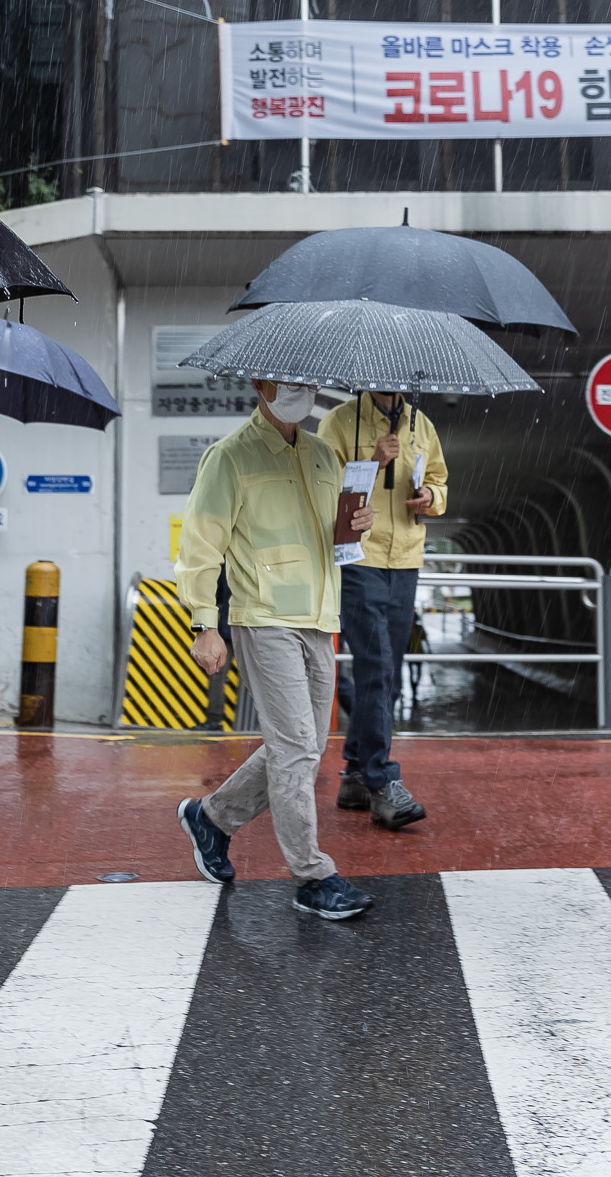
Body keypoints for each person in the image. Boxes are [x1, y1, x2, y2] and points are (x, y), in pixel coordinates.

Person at [173, 377, 377, 919]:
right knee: (296, 748)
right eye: (289, 382)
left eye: (308, 382)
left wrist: (358, 524)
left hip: (319, 617)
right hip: (263, 617)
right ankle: (313, 876)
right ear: (261, 384)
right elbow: (199, 545)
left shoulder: (322, 454)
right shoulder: (230, 457)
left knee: (303, 744)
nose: (301, 390)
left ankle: (212, 818)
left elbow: (337, 543)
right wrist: (203, 623)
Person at [317, 388, 446, 829]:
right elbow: (325, 490)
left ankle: (355, 774)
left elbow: (441, 480)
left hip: (405, 560)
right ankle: (381, 780)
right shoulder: (338, 422)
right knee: (377, 668)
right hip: (359, 557)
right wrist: (373, 461)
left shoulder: (421, 424)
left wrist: (430, 496)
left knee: (386, 675)